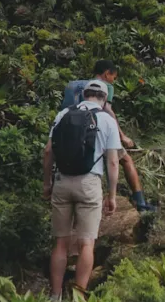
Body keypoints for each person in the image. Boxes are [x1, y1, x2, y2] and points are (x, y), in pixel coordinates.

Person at [43, 79, 122, 302]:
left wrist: (47, 184)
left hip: (62, 181)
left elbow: (48, 152)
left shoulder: (62, 115)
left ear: (83, 94)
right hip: (89, 184)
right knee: (86, 243)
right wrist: (112, 195)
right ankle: (78, 301)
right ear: (104, 99)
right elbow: (113, 162)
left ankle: (55, 297)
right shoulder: (107, 120)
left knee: (61, 243)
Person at [60, 59, 154, 213]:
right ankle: (141, 203)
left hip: (73, 134)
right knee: (126, 161)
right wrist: (122, 136)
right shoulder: (105, 87)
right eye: (113, 77)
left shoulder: (76, 86)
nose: (113, 81)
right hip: (98, 131)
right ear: (106, 74)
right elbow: (108, 110)